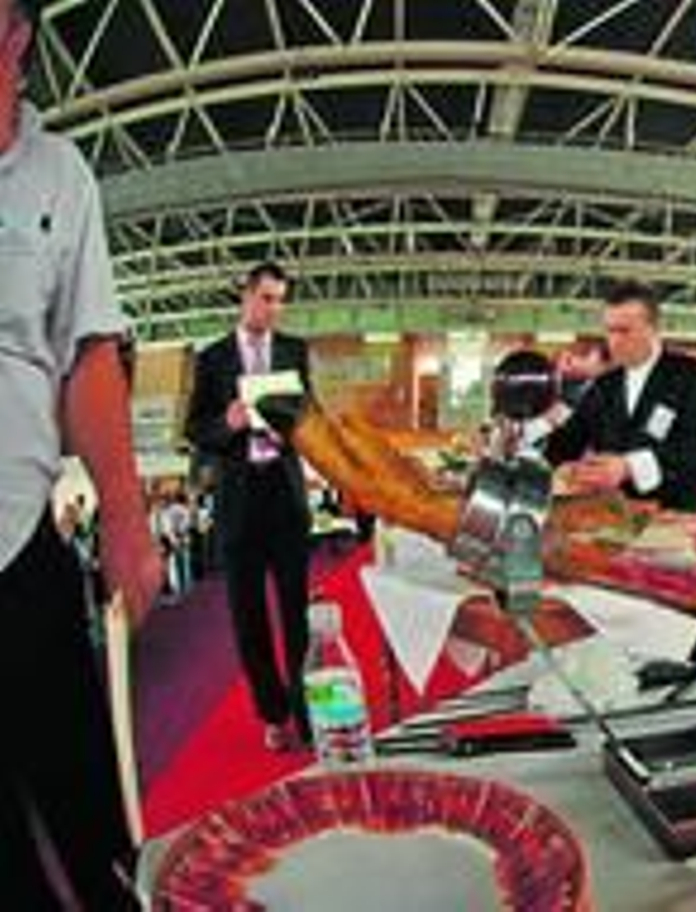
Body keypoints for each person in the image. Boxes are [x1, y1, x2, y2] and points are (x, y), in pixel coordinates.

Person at [1, 0, 165, 903]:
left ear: (17, 30)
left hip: (19, 547)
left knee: (89, 818)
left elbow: (91, 354)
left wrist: (128, 519)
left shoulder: (59, 176)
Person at [185, 261, 315, 752]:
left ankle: (306, 716)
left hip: (285, 495)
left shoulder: (294, 351)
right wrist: (229, 421)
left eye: (280, 299)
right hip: (239, 500)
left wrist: (297, 428)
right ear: (245, 296)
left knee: (297, 615)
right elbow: (195, 428)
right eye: (266, 297)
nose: (273, 308)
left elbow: (311, 413)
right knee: (249, 618)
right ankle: (274, 713)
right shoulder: (214, 358)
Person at [546, 281, 696, 512]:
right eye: (610, 330)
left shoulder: (694, 376)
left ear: (654, 328)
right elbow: (567, 441)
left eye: (625, 330)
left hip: (680, 519)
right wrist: (537, 435)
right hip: (619, 521)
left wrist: (629, 467)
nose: (615, 341)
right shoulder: (603, 385)